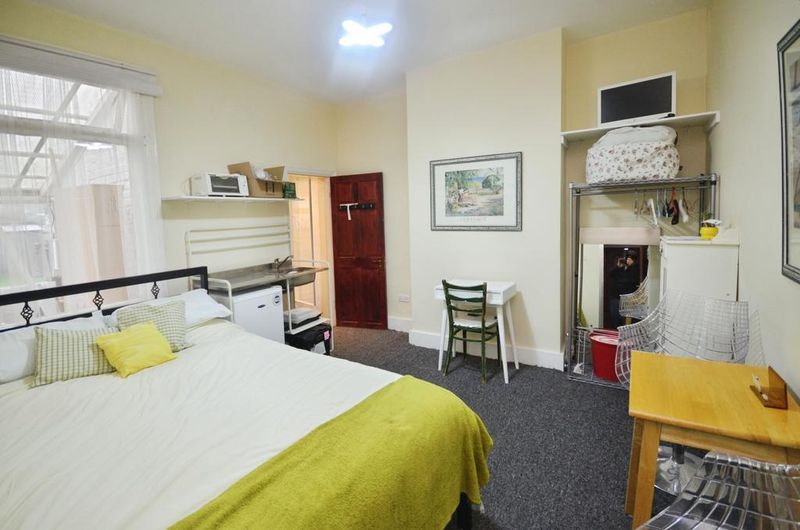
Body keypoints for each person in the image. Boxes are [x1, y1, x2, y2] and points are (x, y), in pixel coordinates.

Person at [609, 251, 639, 328]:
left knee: (624, 317)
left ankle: (623, 331)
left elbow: (631, 281)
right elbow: (611, 274)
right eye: (627, 259)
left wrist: (620, 281)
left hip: (626, 297)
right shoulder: (621, 268)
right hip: (615, 295)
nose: (628, 261)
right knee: (614, 315)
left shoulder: (635, 268)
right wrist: (618, 266)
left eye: (630, 260)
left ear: (634, 261)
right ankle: (616, 330)